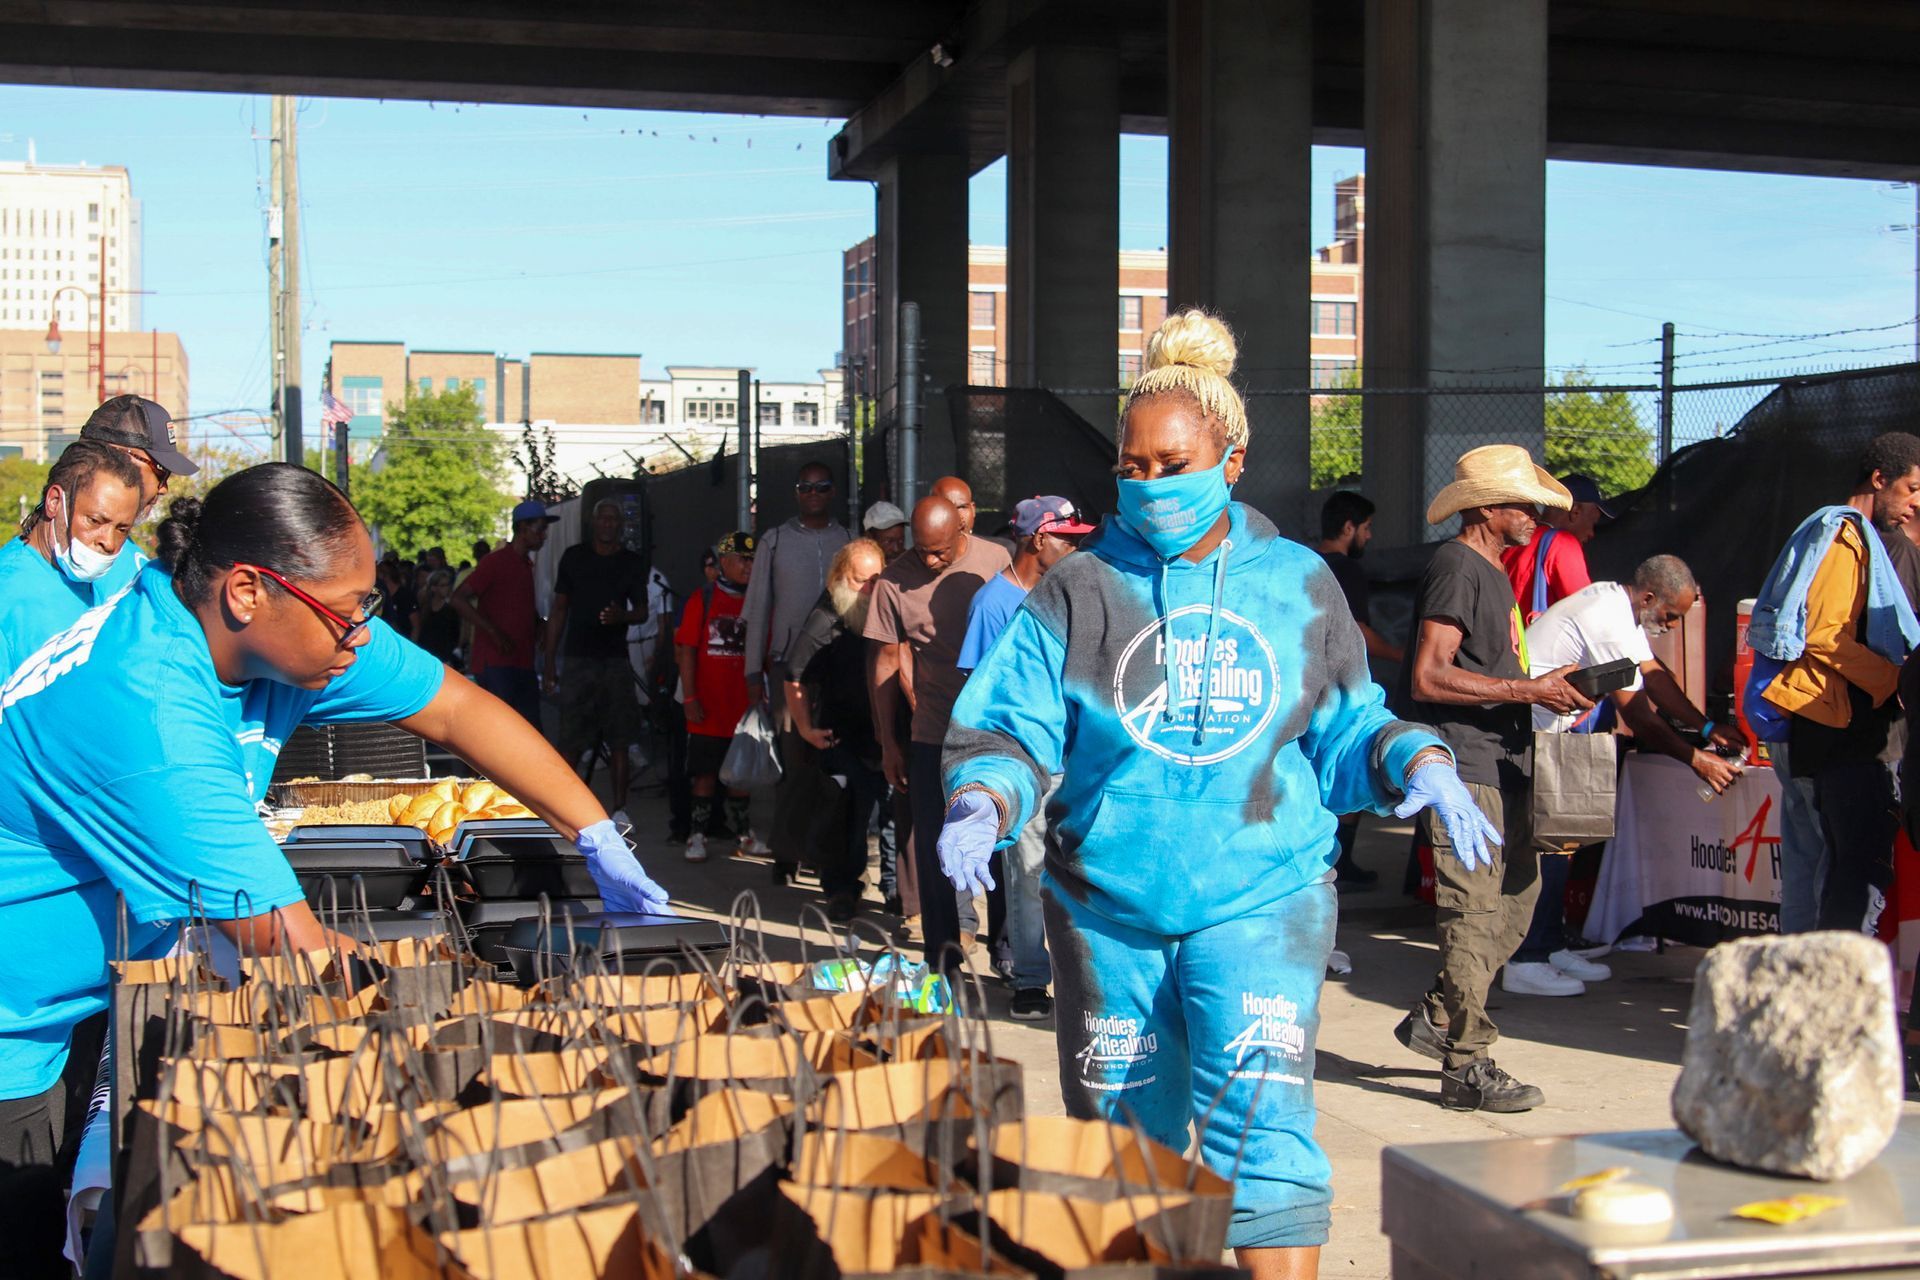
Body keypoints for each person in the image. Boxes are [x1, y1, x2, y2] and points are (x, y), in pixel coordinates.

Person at [0, 464, 667, 1279]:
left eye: (369, 609)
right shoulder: (147, 703)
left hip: (87, 999)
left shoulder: (292, 636)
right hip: (14, 1020)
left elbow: (457, 709)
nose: (361, 635)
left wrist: (595, 832)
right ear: (248, 592)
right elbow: (297, 949)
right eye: (349, 613)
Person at [939, 309, 1492, 1280]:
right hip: (1109, 910)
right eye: (1132, 465)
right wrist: (985, 796)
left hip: (1261, 899)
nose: (1149, 484)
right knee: (1122, 1147)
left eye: (1174, 462)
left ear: (1231, 459)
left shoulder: (1297, 583)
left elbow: (1347, 720)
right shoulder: (1079, 589)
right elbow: (1012, 719)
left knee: (1263, 1136)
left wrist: (1417, 758)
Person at [1393, 444, 1592, 1113]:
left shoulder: (1493, 571)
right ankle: (1466, 1066)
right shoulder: (1456, 566)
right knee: (1472, 913)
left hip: (1504, 760)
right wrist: (1526, 689)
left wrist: (1545, 690)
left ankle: (1437, 1015)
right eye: (1521, 502)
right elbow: (1429, 674)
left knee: (1515, 901)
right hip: (1466, 767)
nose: (1534, 513)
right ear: (1485, 508)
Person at [1507, 556, 1748, 996]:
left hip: (1555, 733)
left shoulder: (1621, 609)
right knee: (1545, 851)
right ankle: (1525, 960)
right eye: (1671, 616)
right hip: (1530, 734)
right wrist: (1698, 760)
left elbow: (1653, 675)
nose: (1673, 626)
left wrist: (1708, 728)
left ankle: (1549, 943)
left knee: (1563, 842)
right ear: (1650, 597)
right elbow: (1637, 713)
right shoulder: (1605, 617)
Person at [1748, 432, 1920, 935]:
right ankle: (1828, 998)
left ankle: (1800, 994)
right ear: (1879, 479)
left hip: (1820, 730)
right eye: (1911, 489)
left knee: (1815, 871)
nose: (1915, 503)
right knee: (1847, 880)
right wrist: (1896, 680)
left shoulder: (1844, 534)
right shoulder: (1846, 536)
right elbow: (1825, 635)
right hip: (1841, 733)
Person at [954, 495, 1092, 1019]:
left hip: (1079, 760)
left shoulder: (1076, 592)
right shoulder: (994, 603)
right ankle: (1030, 977)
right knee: (1029, 873)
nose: (1076, 546)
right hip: (1027, 764)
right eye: (1068, 537)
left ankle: (1081, 975)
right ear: (1038, 539)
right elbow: (978, 690)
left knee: (1081, 872)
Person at [866, 495, 1010, 968]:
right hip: (932, 732)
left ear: (961, 532)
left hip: (994, 733)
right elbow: (886, 664)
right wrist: (890, 742)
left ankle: (1007, 953)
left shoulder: (995, 560)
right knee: (934, 850)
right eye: (922, 550)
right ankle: (942, 961)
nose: (930, 560)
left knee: (1003, 848)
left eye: (940, 552)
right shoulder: (894, 581)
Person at [745, 462, 853, 880]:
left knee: (830, 765)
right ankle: (786, 854)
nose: (813, 493)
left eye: (821, 487)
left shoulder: (847, 539)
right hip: (788, 669)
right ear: (796, 493)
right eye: (804, 487)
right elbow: (757, 609)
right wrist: (753, 671)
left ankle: (823, 852)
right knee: (792, 765)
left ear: (831, 493)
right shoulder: (774, 541)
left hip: (836, 670)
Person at [784, 539, 891, 921]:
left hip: (884, 734)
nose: (868, 588)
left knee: (889, 814)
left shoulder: (888, 604)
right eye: (860, 580)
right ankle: (841, 889)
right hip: (841, 734)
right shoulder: (826, 617)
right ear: (841, 578)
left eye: (875, 578)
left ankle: (895, 891)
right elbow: (793, 675)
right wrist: (805, 728)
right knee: (845, 817)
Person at [1315, 490, 1401, 890]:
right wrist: (1403, 655)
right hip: (1339, 682)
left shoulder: (1306, 565)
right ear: (1348, 527)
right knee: (1352, 759)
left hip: (1308, 681)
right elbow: (1360, 633)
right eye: (1365, 528)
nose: (1368, 536)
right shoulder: (1346, 571)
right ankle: (1341, 859)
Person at [543, 499, 649, 818]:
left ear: (620, 525)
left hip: (614, 660)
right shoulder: (574, 557)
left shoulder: (631, 562)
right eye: (602, 518)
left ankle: (619, 808)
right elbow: (559, 610)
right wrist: (549, 660)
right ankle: (565, 807)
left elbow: (642, 611)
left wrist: (623, 616)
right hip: (578, 658)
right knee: (571, 736)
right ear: (593, 523)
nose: (607, 524)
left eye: (613, 519)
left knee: (619, 737)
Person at [0, 441, 144, 675]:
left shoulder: (97, 583)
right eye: (95, 521)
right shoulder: (7, 595)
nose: (108, 542)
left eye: (122, 529)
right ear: (55, 502)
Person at [675, 532, 762, 862]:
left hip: (744, 708)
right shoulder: (703, 598)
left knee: (741, 775)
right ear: (723, 562)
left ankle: (744, 834)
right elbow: (686, 652)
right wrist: (690, 698)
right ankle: (696, 837)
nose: (747, 566)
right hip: (708, 708)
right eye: (741, 559)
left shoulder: (757, 600)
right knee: (705, 776)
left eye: (752, 559)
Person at [452, 500, 558, 725]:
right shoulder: (496, 562)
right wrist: (493, 632)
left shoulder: (524, 564)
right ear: (522, 528)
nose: (544, 536)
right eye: (540, 529)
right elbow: (458, 599)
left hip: (520, 662)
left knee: (526, 730)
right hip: (497, 663)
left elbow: (514, 603)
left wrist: (537, 622)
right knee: (503, 729)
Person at [1501, 474, 1611, 624]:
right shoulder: (1562, 543)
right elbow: (1586, 611)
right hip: (1531, 645)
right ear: (1575, 512)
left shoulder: (1512, 542)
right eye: (1593, 522)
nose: (1591, 533)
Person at [77, 394, 198, 527]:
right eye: (160, 471)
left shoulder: (124, 547)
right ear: (118, 458)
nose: (163, 489)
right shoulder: (57, 534)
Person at [411, 568, 462, 666]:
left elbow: (458, 631)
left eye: (448, 585)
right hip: (426, 653)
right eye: (443, 585)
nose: (447, 588)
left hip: (446, 655)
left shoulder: (452, 608)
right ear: (434, 588)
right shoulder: (425, 606)